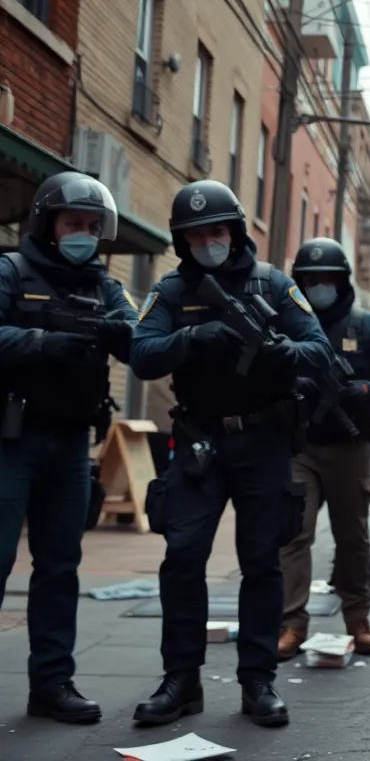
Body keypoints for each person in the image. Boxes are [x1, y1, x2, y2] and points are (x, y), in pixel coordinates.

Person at [129, 180, 332, 728]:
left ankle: (257, 681)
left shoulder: (274, 284)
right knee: (182, 556)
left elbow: (319, 349)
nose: (207, 243)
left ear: (235, 232)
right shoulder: (173, 291)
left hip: (263, 439)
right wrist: (191, 339)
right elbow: (141, 352)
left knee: (262, 560)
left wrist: (286, 353)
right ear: (182, 241)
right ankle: (181, 680)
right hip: (199, 439)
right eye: (195, 236)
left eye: (216, 232)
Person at [0, 173, 136, 724]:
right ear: (47, 223)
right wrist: (40, 342)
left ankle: (52, 684)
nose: (83, 234)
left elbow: (140, 338)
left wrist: (120, 333)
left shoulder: (105, 287)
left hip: (72, 444)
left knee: (60, 567)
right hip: (11, 440)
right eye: (72, 223)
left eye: (91, 226)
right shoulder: (11, 271)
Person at [277, 238, 370, 662]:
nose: (319, 286)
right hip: (300, 446)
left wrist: (363, 390)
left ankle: (358, 620)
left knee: (352, 537)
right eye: (310, 279)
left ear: (342, 281)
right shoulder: (287, 322)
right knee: (294, 534)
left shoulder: (365, 327)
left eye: (327, 278)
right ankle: (291, 624)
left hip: (351, 448)